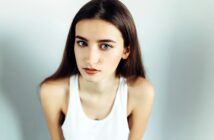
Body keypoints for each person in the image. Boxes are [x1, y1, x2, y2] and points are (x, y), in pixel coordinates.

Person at [39, 0, 155, 140]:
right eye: (82, 43)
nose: (91, 59)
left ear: (126, 50)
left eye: (105, 46)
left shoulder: (140, 92)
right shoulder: (52, 92)